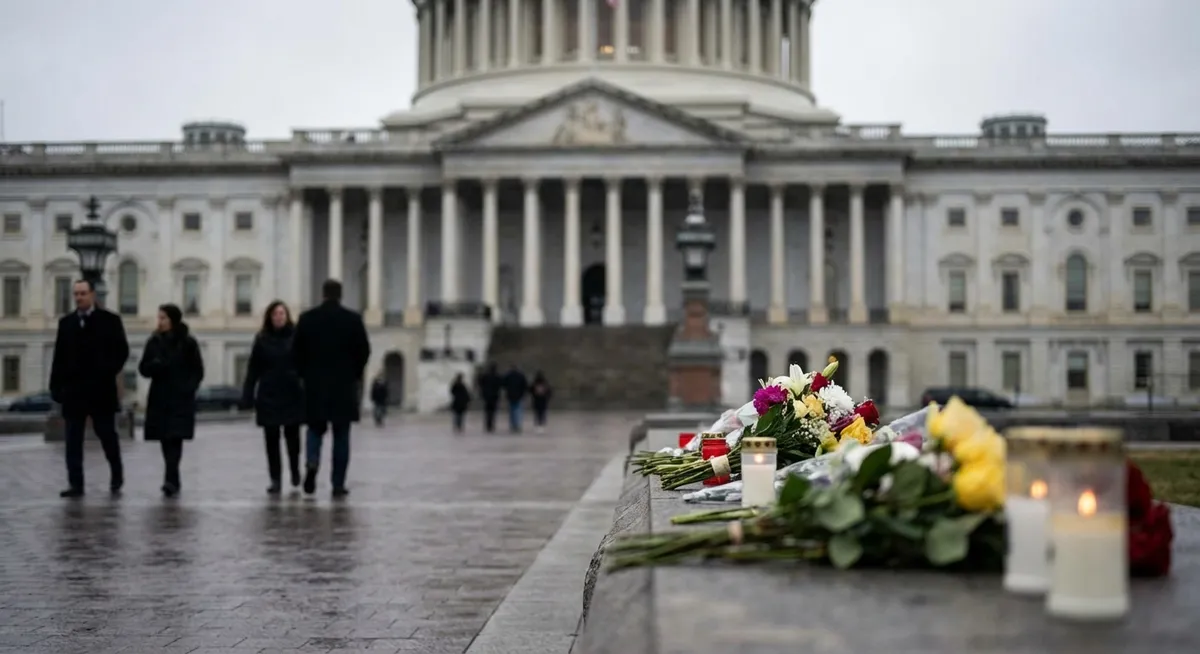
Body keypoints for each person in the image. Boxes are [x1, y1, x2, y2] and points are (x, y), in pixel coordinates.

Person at [49, 279, 130, 498]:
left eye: (83, 293)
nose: (79, 297)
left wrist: (106, 371)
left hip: (100, 390)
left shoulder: (110, 320)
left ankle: (116, 475)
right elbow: (59, 357)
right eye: (76, 294)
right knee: (73, 440)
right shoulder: (66, 323)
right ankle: (76, 484)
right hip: (73, 392)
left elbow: (122, 351)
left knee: (107, 435)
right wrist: (55, 387)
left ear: (93, 295)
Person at [292, 279, 371, 498]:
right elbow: (364, 351)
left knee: (314, 430)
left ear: (323, 294)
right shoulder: (353, 320)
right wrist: (354, 374)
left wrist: (304, 375)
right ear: (341, 295)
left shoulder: (307, 319)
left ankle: (312, 462)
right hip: (343, 386)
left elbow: (295, 352)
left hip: (315, 385)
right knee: (341, 435)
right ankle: (338, 483)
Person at [138, 304, 204, 497]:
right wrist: (154, 366)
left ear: (173, 320)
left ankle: (171, 479)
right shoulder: (154, 341)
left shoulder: (188, 342)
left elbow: (198, 370)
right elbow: (143, 368)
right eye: (159, 318)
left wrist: (188, 388)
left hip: (180, 398)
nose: (159, 322)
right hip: (160, 397)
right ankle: (172, 478)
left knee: (175, 439)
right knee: (165, 440)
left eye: (163, 318)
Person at [242, 301, 306, 495]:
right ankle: (275, 479)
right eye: (275, 314)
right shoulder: (261, 339)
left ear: (287, 316)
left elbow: (305, 364)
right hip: (268, 393)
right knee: (271, 440)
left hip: (291, 392)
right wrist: (248, 393)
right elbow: (253, 369)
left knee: (292, 438)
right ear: (270, 317)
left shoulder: (296, 337)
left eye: (282, 314)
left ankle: (295, 470)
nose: (279, 317)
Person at [476, 363, 502, 433]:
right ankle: (491, 425)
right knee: (493, 412)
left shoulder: (485, 376)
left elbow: (480, 383)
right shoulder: (497, 376)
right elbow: (500, 385)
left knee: (487, 412)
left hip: (487, 396)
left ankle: (488, 425)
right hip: (494, 396)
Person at [503, 366, 529, 433]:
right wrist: (524, 394)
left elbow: (504, 385)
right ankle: (517, 425)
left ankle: (513, 424)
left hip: (510, 395)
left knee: (511, 410)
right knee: (518, 410)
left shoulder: (508, 376)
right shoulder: (521, 376)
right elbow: (525, 385)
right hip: (519, 395)